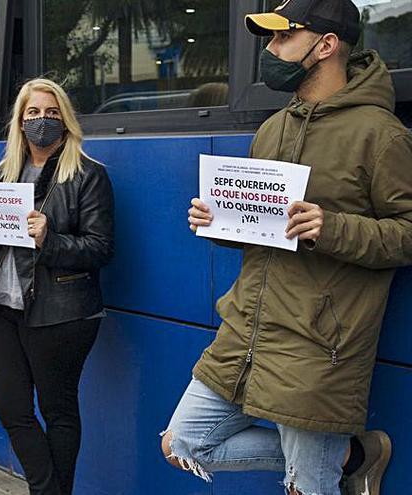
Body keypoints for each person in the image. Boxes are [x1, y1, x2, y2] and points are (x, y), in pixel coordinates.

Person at [161, 2, 412, 495]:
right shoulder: (274, 128)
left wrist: (331, 226)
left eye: (282, 38)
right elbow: (266, 230)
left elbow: (406, 230)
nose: (270, 51)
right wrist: (221, 223)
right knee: (182, 444)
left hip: (318, 345)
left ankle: (327, 458)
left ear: (326, 45)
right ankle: (348, 453)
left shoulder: (382, 134)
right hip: (245, 334)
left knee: (306, 488)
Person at [0, 78, 115, 495]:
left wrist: (51, 238)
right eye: (32, 113)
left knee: (57, 410)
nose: (42, 120)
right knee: (12, 409)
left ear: (65, 119)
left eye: (51, 112)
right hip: (4, 305)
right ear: (19, 121)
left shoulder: (87, 175)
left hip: (62, 311)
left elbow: (100, 248)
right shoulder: (3, 173)